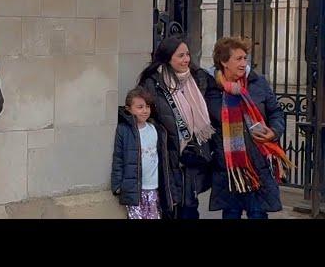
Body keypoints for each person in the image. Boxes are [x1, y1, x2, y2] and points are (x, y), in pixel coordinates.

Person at [205, 36, 292, 219]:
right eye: (238, 59)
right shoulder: (212, 89)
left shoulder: (258, 82)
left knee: (258, 214)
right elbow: (210, 124)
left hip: (259, 165)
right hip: (230, 169)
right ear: (224, 62)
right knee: (231, 214)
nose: (244, 63)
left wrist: (274, 131)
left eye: (245, 58)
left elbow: (276, 112)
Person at [138, 35, 215, 219]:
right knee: (171, 208)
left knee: (189, 207)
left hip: (194, 156)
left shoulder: (198, 78)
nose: (186, 59)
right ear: (168, 57)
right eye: (180, 55)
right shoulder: (152, 83)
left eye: (187, 54)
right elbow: (145, 118)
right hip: (168, 157)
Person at [111, 87, 180, 219]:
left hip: (154, 188)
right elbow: (118, 158)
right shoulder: (124, 130)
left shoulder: (156, 129)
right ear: (129, 109)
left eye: (147, 106)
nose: (145, 111)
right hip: (135, 190)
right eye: (140, 107)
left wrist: (172, 191)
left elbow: (165, 164)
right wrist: (117, 185)